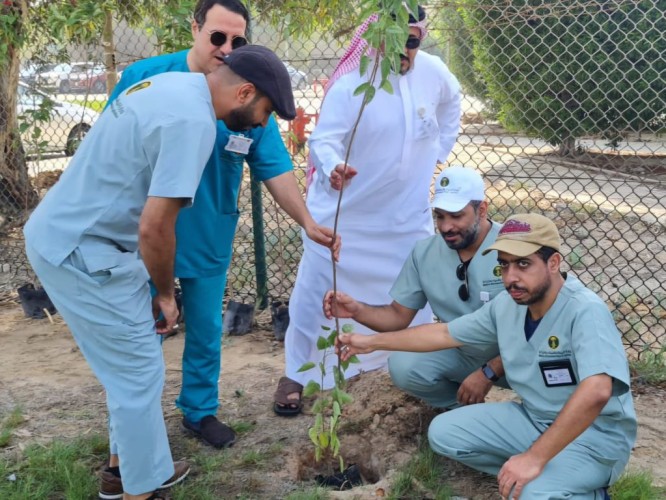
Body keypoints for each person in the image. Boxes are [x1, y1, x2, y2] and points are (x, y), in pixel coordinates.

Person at [24, 46, 296, 500]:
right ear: (245, 91)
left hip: (76, 237)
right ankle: (142, 491)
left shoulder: (172, 88)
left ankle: (122, 473)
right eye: (264, 110)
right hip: (83, 251)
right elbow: (155, 227)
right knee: (137, 375)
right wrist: (167, 294)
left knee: (131, 369)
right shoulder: (192, 123)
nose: (261, 123)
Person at [108, 0, 340, 449]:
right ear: (195, 27)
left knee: (205, 332)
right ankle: (133, 431)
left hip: (208, 233)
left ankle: (199, 411)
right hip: (145, 235)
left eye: (238, 40)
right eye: (218, 36)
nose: (227, 47)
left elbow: (273, 166)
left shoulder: (249, 91)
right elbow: (111, 147)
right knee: (143, 334)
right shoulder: (148, 78)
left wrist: (308, 221)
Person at [333, 213, 637, 499]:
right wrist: (371, 342)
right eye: (504, 265)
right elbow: (443, 334)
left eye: (523, 264)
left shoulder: (585, 310)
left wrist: (534, 458)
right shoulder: (508, 305)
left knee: (527, 492)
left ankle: (579, 489)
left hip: (595, 439)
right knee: (444, 433)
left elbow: (598, 390)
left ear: (553, 262)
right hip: (534, 419)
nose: (511, 277)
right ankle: (537, 474)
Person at [274, 4, 462, 416]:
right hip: (350, 215)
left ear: (421, 39)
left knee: (414, 289)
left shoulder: (433, 73)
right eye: (394, 41)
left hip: (405, 216)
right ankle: (298, 372)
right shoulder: (354, 83)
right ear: (377, 39)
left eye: (411, 41)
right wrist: (332, 164)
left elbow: (453, 104)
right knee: (316, 290)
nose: (404, 51)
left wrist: (440, 150)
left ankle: (408, 365)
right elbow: (325, 139)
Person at [323, 166, 509, 410]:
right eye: (440, 216)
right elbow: (398, 316)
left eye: (456, 216)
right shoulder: (425, 253)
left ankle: (534, 420)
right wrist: (357, 309)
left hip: (513, 355)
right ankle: (464, 412)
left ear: (481, 210)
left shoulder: (512, 247)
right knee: (404, 365)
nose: (446, 227)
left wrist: (488, 372)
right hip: (461, 351)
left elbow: (535, 329)